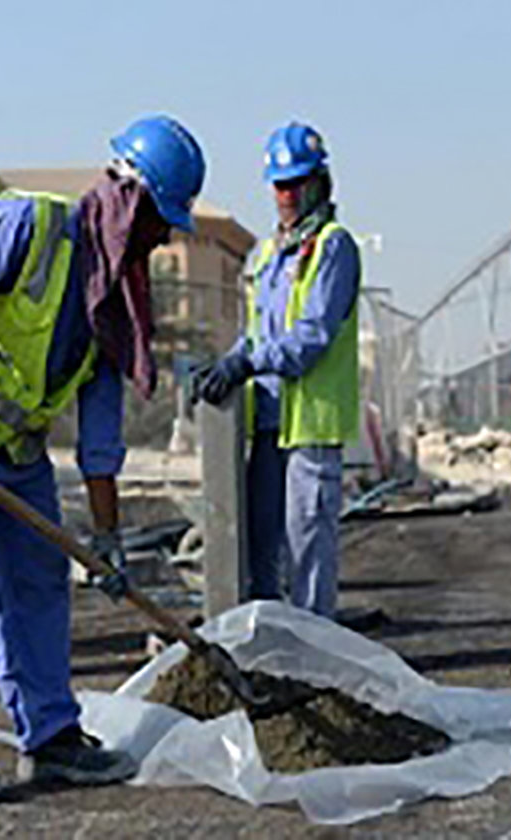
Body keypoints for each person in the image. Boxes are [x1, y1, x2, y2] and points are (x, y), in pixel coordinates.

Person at [0, 117, 205, 804]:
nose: (164, 238)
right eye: (160, 221)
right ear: (129, 199)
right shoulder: (30, 227)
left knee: (37, 588)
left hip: (18, 457)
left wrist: (108, 539)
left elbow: (101, 439)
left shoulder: (114, 300)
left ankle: (50, 738)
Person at [195, 121, 361, 618]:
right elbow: (258, 332)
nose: (286, 195)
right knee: (259, 547)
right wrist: (229, 361)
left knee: (307, 550)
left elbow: (309, 337)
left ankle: (314, 656)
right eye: (279, 184)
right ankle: (269, 646)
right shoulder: (268, 254)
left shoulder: (333, 247)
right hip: (268, 424)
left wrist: (248, 360)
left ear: (318, 182)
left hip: (309, 428)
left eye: (296, 183)